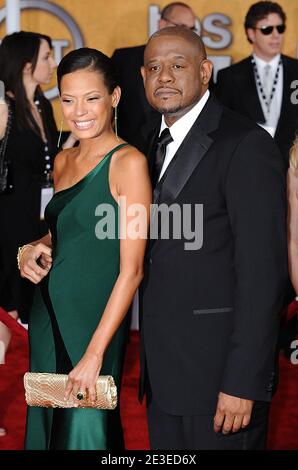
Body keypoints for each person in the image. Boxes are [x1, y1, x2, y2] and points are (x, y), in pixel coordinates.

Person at [139, 26, 288, 450]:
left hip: (221, 379)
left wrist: (245, 380)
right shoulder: (151, 143)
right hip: (163, 376)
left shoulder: (246, 144)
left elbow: (263, 274)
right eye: (153, 67)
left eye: (177, 65)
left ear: (205, 72)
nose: (164, 76)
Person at [18, 47, 151, 450]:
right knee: (46, 423)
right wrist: (30, 248)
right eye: (69, 99)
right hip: (49, 310)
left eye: (91, 97)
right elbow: (66, 232)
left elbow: (132, 270)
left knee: (86, 430)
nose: (79, 111)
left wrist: (96, 353)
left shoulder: (129, 163)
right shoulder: (62, 160)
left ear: (114, 97)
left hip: (97, 322)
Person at [0, 31, 75, 328]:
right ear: (26, 64)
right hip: (9, 214)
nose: (53, 63)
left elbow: (50, 157)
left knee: (35, 286)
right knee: (11, 295)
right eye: (46, 56)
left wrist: (79, 135)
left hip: (39, 213)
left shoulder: (42, 104)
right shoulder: (4, 107)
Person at [216, 1, 298, 167]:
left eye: (280, 28)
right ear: (251, 33)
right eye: (267, 29)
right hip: (247, 165)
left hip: (293, 166)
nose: (276, 35)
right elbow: (223, 127)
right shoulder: (229, 77)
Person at [111, 2, 198, 148]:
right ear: (162, 23)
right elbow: (106, 106)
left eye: (192, 29)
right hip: (125, 151)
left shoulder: (197, 66)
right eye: (182, 27)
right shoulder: (123, 59)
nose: (187, 35)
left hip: (177, 153)